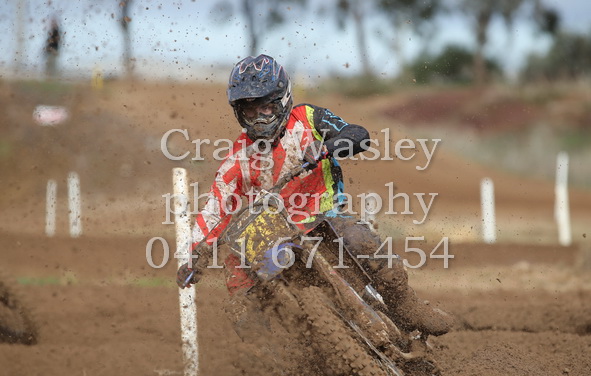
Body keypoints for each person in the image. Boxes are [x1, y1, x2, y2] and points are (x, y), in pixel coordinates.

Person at [176, 54, 453, 336]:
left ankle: (405, 304)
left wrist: (328, 147)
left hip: (325, 214)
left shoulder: (308, 118)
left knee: (359, 240)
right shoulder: (237, 158)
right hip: (276, 234)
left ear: (282, 100)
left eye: (266, 108)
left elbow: (358, 134)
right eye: (250, 112)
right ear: (239, 113)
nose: (259, 119)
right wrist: (192, 257)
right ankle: (281, 351)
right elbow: (216, 208)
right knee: (240, 289)